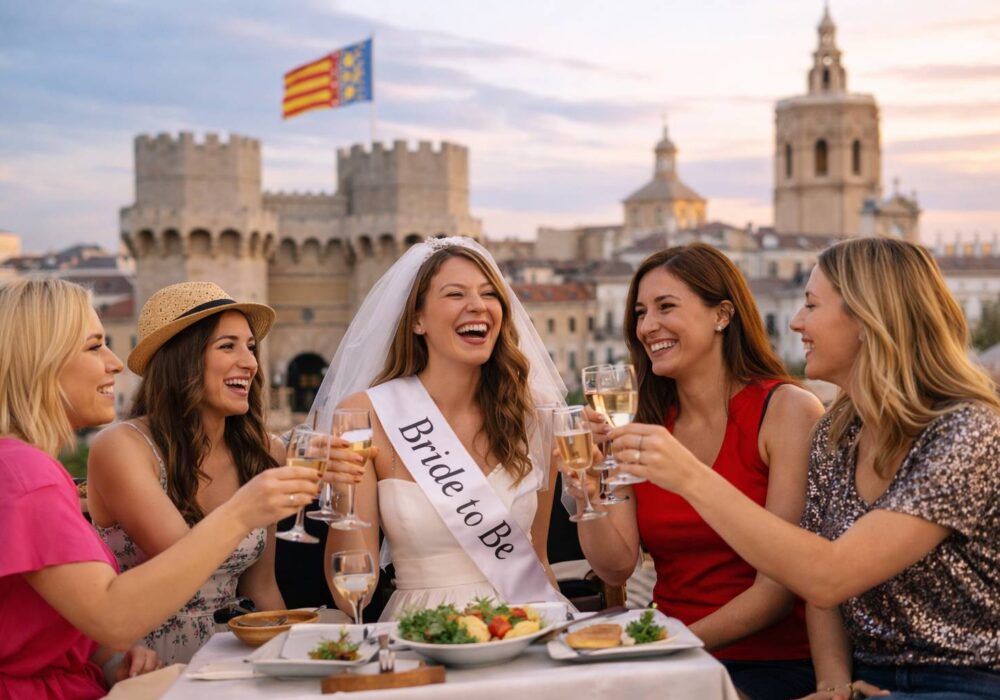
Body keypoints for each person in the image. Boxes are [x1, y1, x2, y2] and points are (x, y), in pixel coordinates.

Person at [610, 238, 1000, 700]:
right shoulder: (840, 431)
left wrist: (689, 476)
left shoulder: (966, 432)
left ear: (868, 317)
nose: (796, 322)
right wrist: (833, 685)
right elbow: (818, 590)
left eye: (812, 305)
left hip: (965, 680)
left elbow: (828, 574)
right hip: (864, 676)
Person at [0, 278, 318, 699]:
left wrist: (107, 658)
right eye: (95, 346)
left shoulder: (28, 469)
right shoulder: (27, 476)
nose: (116, 363)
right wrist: (243, 511)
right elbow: (113, 614)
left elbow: (44, 619)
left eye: (251, 347)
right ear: (40, 360)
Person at [573, 243, 825, 700]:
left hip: (767, 665)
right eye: (641, 312)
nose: (648, 326)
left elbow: (777, 591)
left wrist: (667, 648)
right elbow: (615, 566)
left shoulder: (787, 410)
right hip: (665, 655)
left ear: (722, 315)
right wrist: (590, 488)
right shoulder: (642, 422)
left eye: (666, 307)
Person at [314, 237, 567, 620]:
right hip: (422, 632)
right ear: (417, 319)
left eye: (488, 293)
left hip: (524, 625)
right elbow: (352, 596)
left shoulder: (532, 415)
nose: (478, 305)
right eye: (455, 294)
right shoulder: (366, 415)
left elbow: (539, 562)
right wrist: (342, 494)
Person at [86, 282, 303, 664]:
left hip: (238, 653)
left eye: (251, 347)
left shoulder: (263, 450)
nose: (250, 362)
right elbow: (184, 562)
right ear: (182, 359)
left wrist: (293, 662)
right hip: (149, 662)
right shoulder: (123, 447)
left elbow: (262, 588)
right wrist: (248, 507)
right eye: (227, 346)